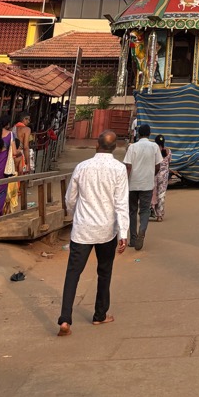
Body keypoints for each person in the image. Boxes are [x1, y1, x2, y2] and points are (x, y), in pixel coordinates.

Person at [57, 130, 128, 335]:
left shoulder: (82, 167)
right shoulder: (119, 169)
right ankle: (99, 315)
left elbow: (70, 197)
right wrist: (123, 232)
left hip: (82, 229)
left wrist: (74, 213)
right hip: (106, 229)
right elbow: (121, 203)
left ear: (96, 145)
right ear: (114, 148)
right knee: (104, 272)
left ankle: (65, 319)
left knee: (73, 273)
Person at [124, 123, 162, 250]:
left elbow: (128, 166)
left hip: (133, 184)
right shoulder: (155, 147)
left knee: (132, 211)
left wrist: (124, 181)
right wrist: (151, 175)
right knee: (145, 210)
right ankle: (142, 230)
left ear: (138, 134)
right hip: (147, 184)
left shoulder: (132, 147)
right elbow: (158, 166)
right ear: (149, 134)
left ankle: (133, 239)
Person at [0, 115, 19, 216]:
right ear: (8, 124)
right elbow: (14, 152)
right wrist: (20, 153)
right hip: (3, 168)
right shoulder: (10, 135)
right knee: (1, 190)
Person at [151, 136, 171, 221]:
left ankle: (152, 210)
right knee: (161, 195)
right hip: (164, 176)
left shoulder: (153, 151)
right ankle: (159, 215)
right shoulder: (168, 151)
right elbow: (169, 161)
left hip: (154, 175)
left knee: (153, 193)